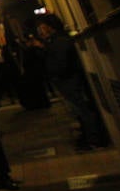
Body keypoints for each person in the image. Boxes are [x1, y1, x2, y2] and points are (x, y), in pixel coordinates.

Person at [35, 13, 109, 150]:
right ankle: (90, 136)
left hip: (69, 80)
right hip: (67, 80)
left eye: (42, 27)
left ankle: (94, 139)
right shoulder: (56, 41)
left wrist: (55, 73)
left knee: (82, 109)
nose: (40, 30)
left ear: (49, 26)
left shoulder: (59, 41)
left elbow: (61, 63)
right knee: (79, 110)